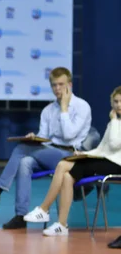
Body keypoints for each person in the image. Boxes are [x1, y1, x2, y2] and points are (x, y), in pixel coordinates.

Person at [0, 67, 92, 229]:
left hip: (71, 157)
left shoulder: (82, 106)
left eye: (61, 84)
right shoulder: (48, 110)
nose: (57, 89)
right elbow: (45, 139)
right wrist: (35, 138)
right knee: (24, 162)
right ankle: (20, 215)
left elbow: (69, 135)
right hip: (51, 153)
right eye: (54, 85)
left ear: (70, 85)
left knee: (21, 149)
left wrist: (65, 109)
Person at [24, 86, 121, 236]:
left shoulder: (114, 122)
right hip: (104, 160)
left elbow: (115, 144)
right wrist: (84, 153)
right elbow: (102, 149)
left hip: (116, 165)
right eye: (116, 101)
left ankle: (44, 209)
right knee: (68, 176)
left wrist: (114, 120)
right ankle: (62, 225)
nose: (118, 105)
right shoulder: (113, 123)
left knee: (63, 164)